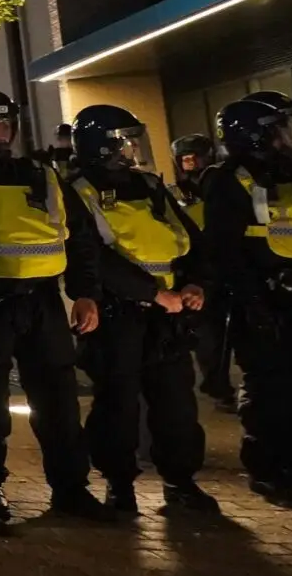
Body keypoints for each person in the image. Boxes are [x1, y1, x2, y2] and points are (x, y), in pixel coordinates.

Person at [0, 87, 108, 521]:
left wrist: (85, 293)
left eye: (2, 123)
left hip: (43, 303)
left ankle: (71, 491)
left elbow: (82, 239)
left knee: (60, 407)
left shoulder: (45, 175)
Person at [63, 106, 220, 517]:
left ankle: (181, 481)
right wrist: (150, 292)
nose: (132, 149)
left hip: (166, 313)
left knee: (176, 404)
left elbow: (190, 238)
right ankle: (119, 486)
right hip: (119, 314)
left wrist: (194, 283)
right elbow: (90, 255)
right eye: (123, 141)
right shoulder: (78, 190)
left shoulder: (149, 185)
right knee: (118, 404)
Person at [194, 95, 292, 502]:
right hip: (262, 298)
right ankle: (268, 472)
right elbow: (225, 249)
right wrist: (252, 301)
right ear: (256, 134)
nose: (288, 137)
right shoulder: (230, 179)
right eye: (280, 129)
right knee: (270, 392)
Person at [170, 133, 236, 409]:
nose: (192, 164)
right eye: (185, 159)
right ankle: (218, 386)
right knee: (208, 335)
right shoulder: (174, 194)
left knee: (230, 331)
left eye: (196, 157)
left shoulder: (222, 186)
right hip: (196, 273)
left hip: (226, 265)